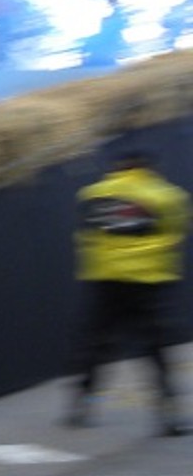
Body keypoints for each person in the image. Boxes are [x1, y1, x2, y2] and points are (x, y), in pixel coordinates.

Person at [65, 145, 189, 435]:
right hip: (149, 284)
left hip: (105, 282)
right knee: (155, 350)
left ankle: (82, 406)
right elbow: (177, 231)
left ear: (116, 167)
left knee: (95, 346)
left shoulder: (91, 195)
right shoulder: (169, 196)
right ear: (150, 168)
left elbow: (85, 234)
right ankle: (169, 415)